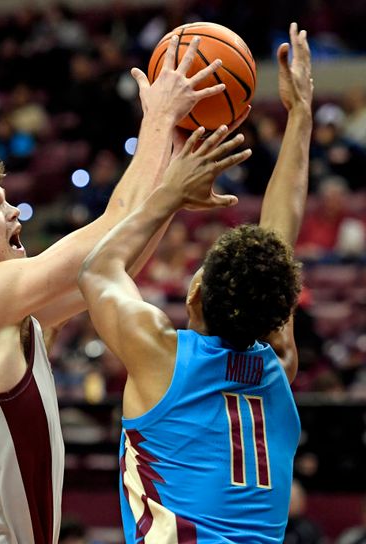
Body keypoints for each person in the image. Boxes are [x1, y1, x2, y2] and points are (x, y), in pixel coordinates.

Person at [0, 36, 229, 543]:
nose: (13, 212)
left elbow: (111, 265)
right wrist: (158, 120)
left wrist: (170, 198)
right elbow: (113, 225)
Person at [77, 23, 312, 543]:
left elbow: (96, 268)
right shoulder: (278, 366)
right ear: (277, 311)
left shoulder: (161, 355)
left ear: (193, 297)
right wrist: (300, 117)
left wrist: (172, 194)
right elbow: (281, 239)